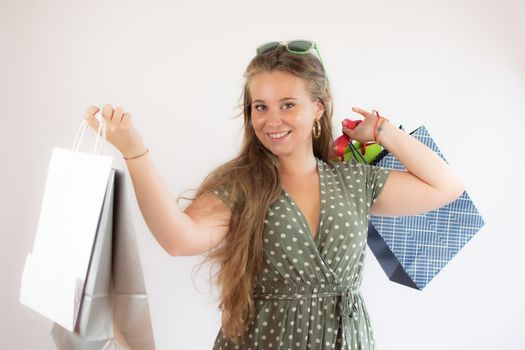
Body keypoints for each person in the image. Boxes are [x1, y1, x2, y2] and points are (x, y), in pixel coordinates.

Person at [84, 40, 464, 349]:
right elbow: (179, 240)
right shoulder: (242, 185)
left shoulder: (354, 181)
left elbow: (446, 187)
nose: (272, 120)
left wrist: (382, 130)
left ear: (318, 108)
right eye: (260, 107)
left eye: (288, 105)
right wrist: (135, 151)